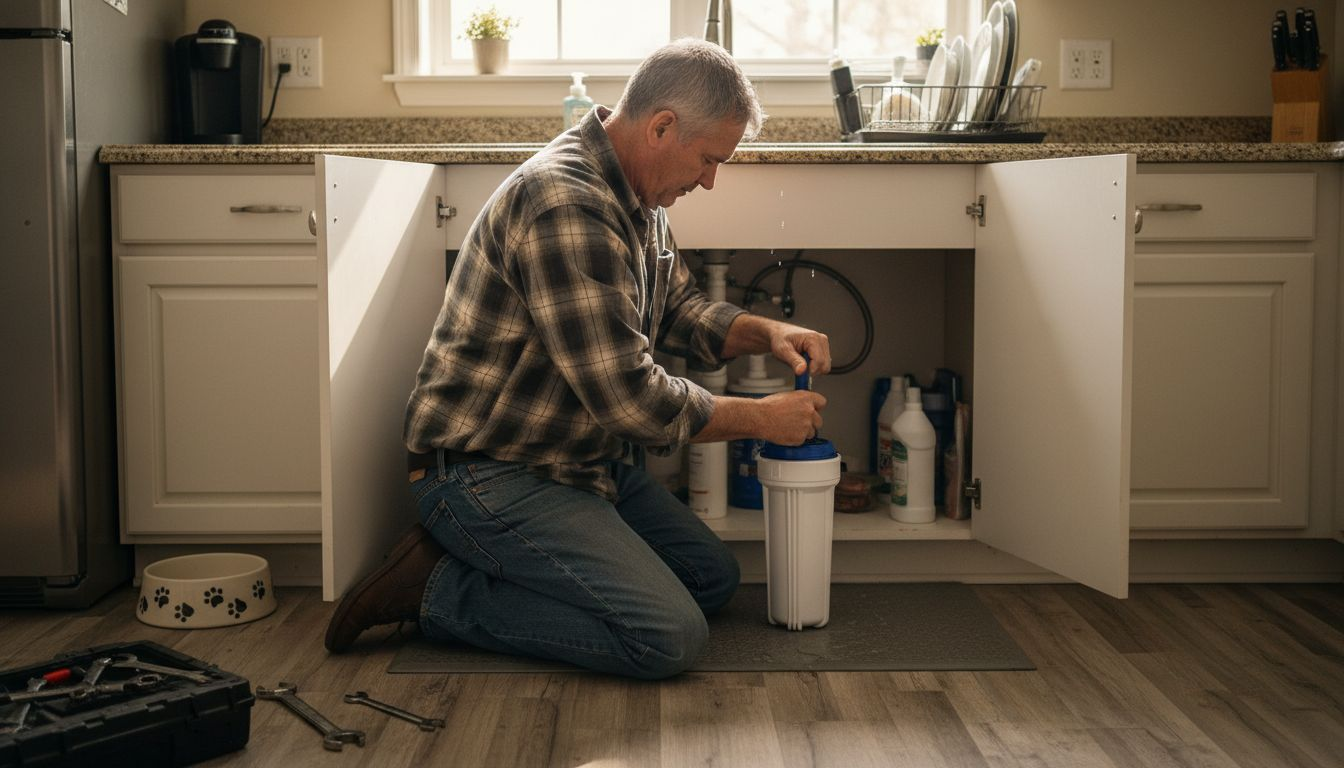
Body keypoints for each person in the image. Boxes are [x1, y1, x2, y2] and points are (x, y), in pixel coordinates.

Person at [324, 38, 830, 679]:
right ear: (662, 127)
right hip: (485, 473)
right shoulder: (567, 203)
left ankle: (504, 568)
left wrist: (768, 332)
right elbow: (631, 400)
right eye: (707, 159)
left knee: (711, 579)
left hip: (578, 463)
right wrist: (761, 419)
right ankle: (434, 592)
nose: (709, 179)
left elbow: (678, 311)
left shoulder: (639, 196)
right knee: (668, 637)